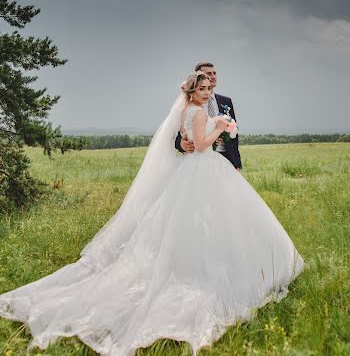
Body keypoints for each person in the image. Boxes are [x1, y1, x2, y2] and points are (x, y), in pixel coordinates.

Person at [0, 71, 304, 355]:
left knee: (198, 223)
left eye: (209, 88)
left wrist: (217, 127)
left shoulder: (187, 111)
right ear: (193, 90)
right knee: (207, 222)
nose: (207, 92)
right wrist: (221, 129)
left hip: (194, 172)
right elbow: (199, 145)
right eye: (202, 88)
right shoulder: (197, 112)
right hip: (203, 167)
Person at [175, 62, 242, 170]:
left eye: (214, 73)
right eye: (208, 73)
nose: (213, 76)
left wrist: (237, 163)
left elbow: (234, 136)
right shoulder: (188, 107)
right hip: (200, 159)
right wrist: (182, 145)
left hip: (225, 158)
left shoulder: (226, 101)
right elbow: (174, 133)